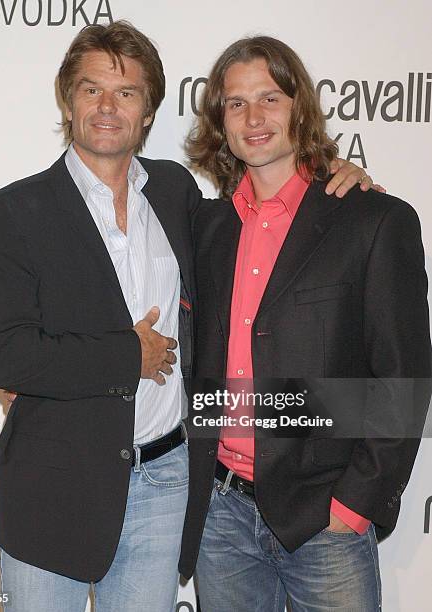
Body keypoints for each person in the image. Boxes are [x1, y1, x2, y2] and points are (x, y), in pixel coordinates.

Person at [0, 21, 376, 612]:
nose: (108, 107)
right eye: (91, 90)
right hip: (52, 488)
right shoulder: (12, 212)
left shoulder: (176, 193)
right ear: (68, 99)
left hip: (165, 486)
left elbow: (275, 221)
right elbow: (1, 354)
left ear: (149, 110)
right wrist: (124, 357)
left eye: (126, 93)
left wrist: (345, 176)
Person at [180, 35, 431, 611]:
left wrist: (355, 503)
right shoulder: (209, 228)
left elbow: (404, 374)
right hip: (222, 517)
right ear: (221, 120)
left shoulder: (371, 219)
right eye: (236, 103)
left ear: (301, 108)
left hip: (326, 519)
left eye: (270, 98)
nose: (254, 117)